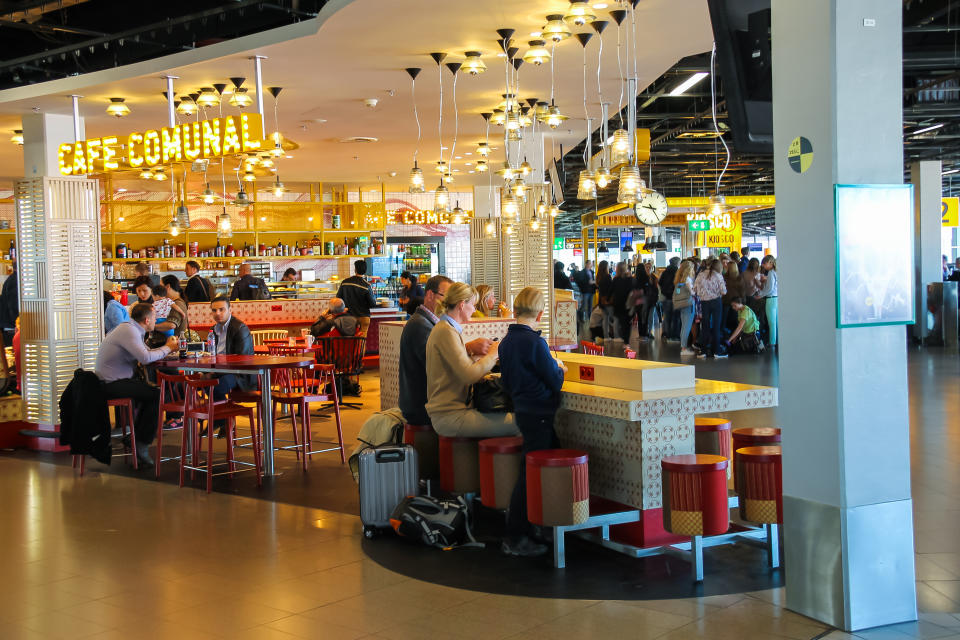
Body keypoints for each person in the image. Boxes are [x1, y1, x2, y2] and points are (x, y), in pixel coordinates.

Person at [499, 286, 567, 557]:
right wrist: (559, 369)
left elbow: (506, 382)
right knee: (530, 474)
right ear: (540, 314)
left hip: (523, 411)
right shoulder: (535, 343)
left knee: (539, 465)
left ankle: (539, 525)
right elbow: (553, 379)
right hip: (539, 412)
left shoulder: (506, 342)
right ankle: (516, 535)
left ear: (516, 310)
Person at [424, 282, 518, 438]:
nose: (474, 310)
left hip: (451, 412)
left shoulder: (446, 328)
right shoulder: (446, 331)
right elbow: (468, 375)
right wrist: (492, 355)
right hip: (450, 416)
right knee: (521, 423)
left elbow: (458, 369)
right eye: (473, 305)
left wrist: (474, 356)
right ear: (462, 305)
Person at [399, 275, 493, 427]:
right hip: (421, 406)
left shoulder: (436, 324)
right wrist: (486, 354)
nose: (450, 301)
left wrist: (468, 351)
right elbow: (438, 364)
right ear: (430, 295)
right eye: (447, 296)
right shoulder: (421, 325)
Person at [94, 302, 179, 465]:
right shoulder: (129, 330)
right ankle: (140, 442)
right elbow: (145, 358)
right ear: (147, 320)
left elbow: (145, 353)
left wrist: (167, 349)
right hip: (109, 384)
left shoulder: (132, 329)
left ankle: (136, 438)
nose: (157, 322)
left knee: (153, 392)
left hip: (115, 380)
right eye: (155, 318)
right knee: (157, 395)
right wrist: (168, 348)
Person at [208, 296, 255, 428]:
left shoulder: (240, 328)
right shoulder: (213, 329)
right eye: (214, 310)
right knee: (200, 383)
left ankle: (222, 419)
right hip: (220, 371)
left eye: (221, 309)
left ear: (230, 310)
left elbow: (242, 359)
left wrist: (215, 369)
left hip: (240, 374)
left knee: (216, 386)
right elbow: (210, 353)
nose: (217, 313)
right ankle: (223, 419)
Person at [694, 258, 727, 358]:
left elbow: (695, 289)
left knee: (705, 326)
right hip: (716, 302)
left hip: (704, 302)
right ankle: (717, 351)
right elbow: (724, 291)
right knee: (716, 327)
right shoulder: (718, 276)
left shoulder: (701, 274)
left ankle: (703, 351)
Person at [337, 259, 377, 335]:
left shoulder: (345, 282)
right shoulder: (367, 285)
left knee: (350, 340)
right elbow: (372, 304)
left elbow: (338, 298)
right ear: (365, 270)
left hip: (349, 317)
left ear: (355, 269)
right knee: (361, 341)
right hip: (363, 317)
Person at [672, 260, 697, 355]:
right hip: (688, 304)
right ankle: (684, 348)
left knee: (683, 326)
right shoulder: (688, 280)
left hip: (681, 304)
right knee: (687, 326)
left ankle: (683, 346)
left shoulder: (679, 279)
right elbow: (692, 293)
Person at [758, 255, 778, 349]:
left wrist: (760, 295)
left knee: (771, 322)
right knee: (777, 322)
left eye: (764, 264)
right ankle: (777, 340)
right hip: (777, 298)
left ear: (769, 263)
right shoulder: (776, 271)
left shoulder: (770, 273)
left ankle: (772, 342)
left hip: (770, 299)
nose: (764, 267)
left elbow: (769, 288)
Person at [611, 261, 634, 343]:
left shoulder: (615, 280)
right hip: (628, 304)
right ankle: (626, 341)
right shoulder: (630, 279)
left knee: (618, 321)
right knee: (627, 323)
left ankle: (618, 337)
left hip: (617, 304)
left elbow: (611, 291)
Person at [659, 257, 680, 342]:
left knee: (667, 317)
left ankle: (667, 335)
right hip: (675, 297)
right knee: (675, 318)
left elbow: (660, 283)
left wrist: (664, 291)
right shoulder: (678, 272)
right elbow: (678, 285)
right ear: (676, 263)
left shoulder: (665, 272)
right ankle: (674, 335)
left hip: (666, 298)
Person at [574, 260, 596, 331]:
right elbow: (580, 281)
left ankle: (589, 319)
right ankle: (580, 317)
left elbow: (592, 280)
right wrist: (586, 284)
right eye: (589, 264)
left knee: (590, 306)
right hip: (585, 291)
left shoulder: (592, 272)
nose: (590, 265)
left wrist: (593, 284)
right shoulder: (582, 272)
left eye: (591, 264)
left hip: (591, 291)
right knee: (584, 306)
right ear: (586, 264)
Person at [0, 260, 18, 347]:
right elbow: (14, 307)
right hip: (12, 330)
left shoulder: (12, 279)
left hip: (10, 328)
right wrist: (19, 324)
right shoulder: (15, 281)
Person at [596, 260, 614, 339]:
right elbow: (611, 289)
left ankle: (606, 336)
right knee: (610, 319)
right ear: (605, 267)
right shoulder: (607, 276)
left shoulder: (599, 276)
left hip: (601, 300)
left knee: (605, 319)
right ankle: (609, 335)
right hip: (608, 301)